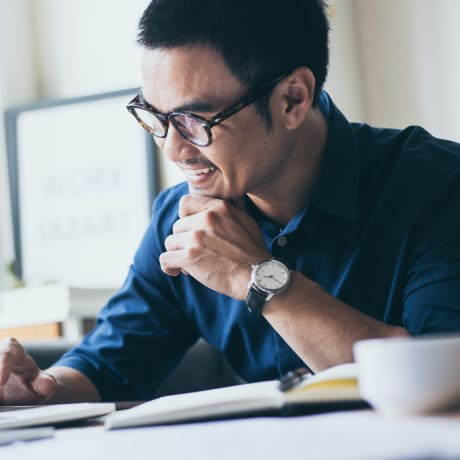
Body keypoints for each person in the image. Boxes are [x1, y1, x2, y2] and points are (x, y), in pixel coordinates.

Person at [1, 0, 460, 405]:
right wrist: (41, 390)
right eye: (155, 117)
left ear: (292, 100)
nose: (174, 150)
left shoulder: (438, 187)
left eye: (194, 120)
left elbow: (442, 379)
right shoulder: (180, 217)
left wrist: (260, 279)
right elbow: (107, 364)